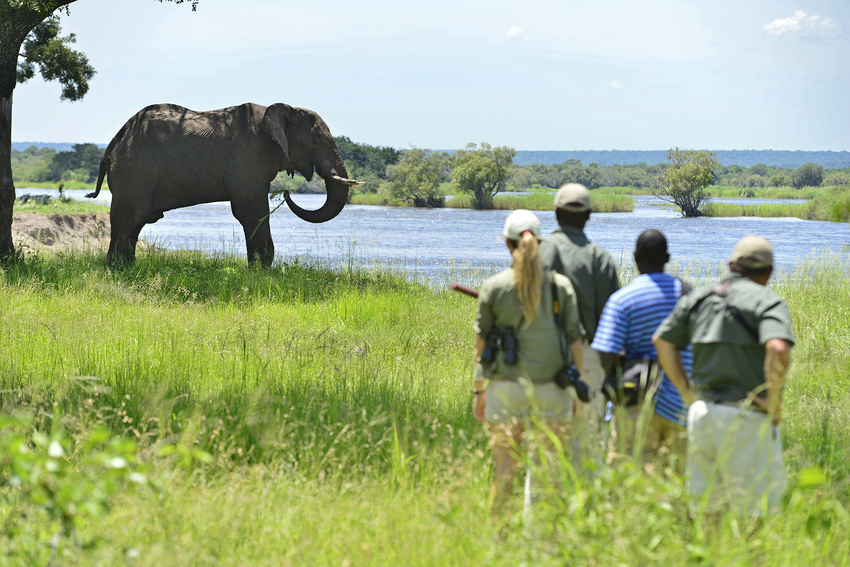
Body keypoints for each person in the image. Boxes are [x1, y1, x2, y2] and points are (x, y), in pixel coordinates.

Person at [653, 235, 794, 522]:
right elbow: (778, 348)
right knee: (753, 511)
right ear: (769, 273)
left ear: (730, 265)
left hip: (702, 413)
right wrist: (773, 403)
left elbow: (662, 341)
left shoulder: (699, 298)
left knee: (707, 507)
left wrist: (687, 391)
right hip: (746, 415)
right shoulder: (768, 301)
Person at [473, 209, 585, 513]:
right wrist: (575, 388)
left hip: (506, 388)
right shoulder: (560, 286)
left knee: (504, 471)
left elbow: (481, 344)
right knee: (546, 474)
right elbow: (576, 342)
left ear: (507, 244)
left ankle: (497, 537)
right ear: (539, 241)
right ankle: (540, 543)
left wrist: (480, 390)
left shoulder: (494, 286)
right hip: (552, 389)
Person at [591, 229, 691, 470]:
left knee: (631, 475)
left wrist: (626, 356)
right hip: (680, 404)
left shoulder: (622, 300)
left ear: (635, 257)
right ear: (667, 258)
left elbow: (605, 357)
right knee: (676, 480)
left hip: (635, 404)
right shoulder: (688, 296)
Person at [539, 183, 620, 467]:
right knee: (587, 440)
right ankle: (587, 505)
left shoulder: (539, 251)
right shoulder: (601, 258)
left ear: (556, 213)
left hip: (544, 357)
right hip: (589, 357)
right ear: (588, 216)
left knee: (545, 442)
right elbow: (613, 323)